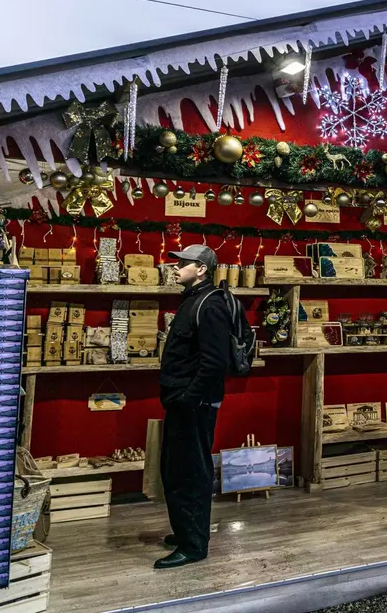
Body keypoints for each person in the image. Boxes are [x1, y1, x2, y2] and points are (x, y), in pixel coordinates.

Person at [156, 244, 232, 569]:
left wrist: (189, 397)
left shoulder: (210, 305)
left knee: (191, 472)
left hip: (194, 404)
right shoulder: (192, 300)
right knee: (175, 468)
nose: (176, 267)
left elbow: (216, 362)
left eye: (183, 263)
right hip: (183, 400)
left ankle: (194, 544)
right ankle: (185, 529)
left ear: (201, 269)